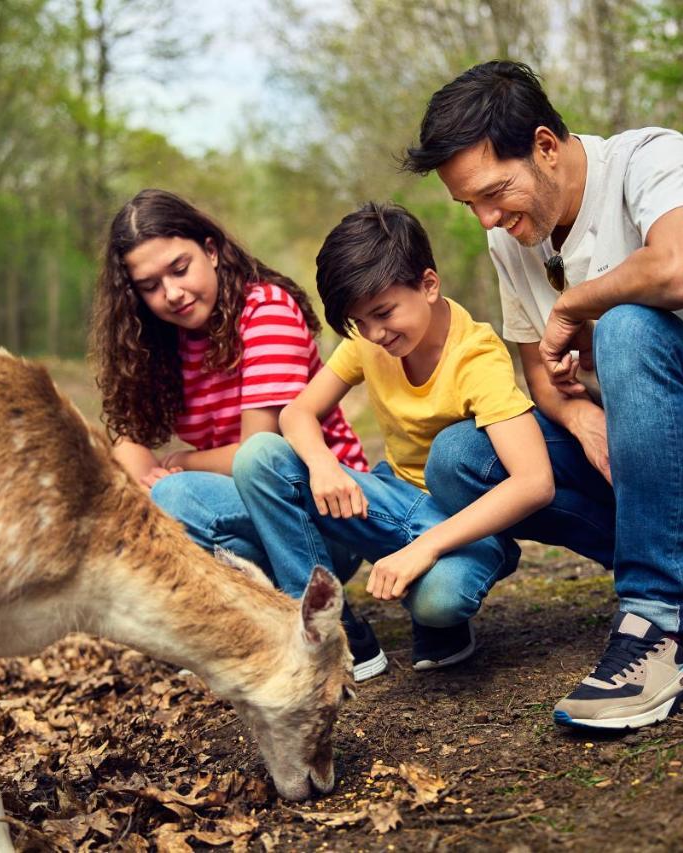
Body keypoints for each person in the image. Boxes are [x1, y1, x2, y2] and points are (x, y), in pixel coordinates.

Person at [401, 61, 683, 731]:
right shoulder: (512, 236)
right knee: (459, 458)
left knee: (629, 323)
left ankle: (662, 634)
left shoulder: (650, 157)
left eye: (493, 192)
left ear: (544, 146)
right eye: (469, 205)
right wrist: (580, 415)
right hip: (643, 458)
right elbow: (539, 372)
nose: (486, 218)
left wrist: (578, 301)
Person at [231, 202, 555, 671]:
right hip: (388, 503)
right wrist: (322, 466)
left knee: (439, 602)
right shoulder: (369, 339)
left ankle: (439, 603)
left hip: (455, 523)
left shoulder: (476, 357)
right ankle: (327, 629)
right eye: (360, 323)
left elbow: (534, 481)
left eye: (382, 314)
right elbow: (299, 411)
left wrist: (425, 548)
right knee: (259, 455)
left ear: (428, 284)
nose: (373, 334)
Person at [89, 188, 387, 681]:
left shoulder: (265, 311)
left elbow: (259, 453)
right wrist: (145, 487)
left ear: (211, 249)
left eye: (180, 268)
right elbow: (128, 440)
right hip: (248, 522)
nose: (172, 293)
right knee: (153, 503)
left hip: (325, 515)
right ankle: (250, 634)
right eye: (150, 285)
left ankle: (327, 628)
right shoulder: (156, 342)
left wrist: (181, 464)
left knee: (178, 493)